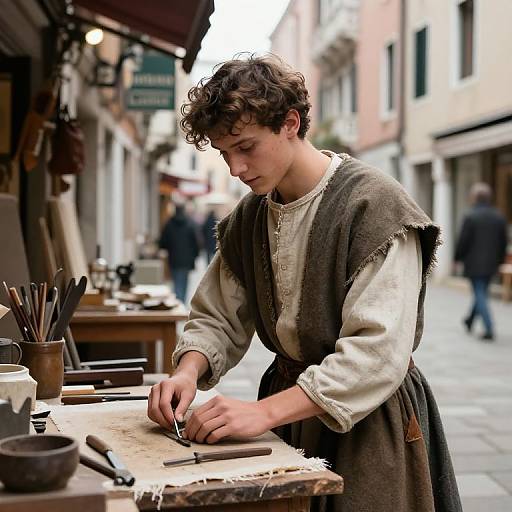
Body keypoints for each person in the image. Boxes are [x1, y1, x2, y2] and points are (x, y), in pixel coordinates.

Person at [148, 55, 462, 511]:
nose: (235, 168)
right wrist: (187, 371)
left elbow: (377, 353)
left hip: (370, 425)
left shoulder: (375, 206)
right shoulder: (247, 218)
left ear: (290, 123)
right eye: (224, 154)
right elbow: (218, 316)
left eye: (246, 147)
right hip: (286, 415)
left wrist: (262, 414)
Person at [455, 182, 508, 341]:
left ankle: (489, 328)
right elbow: (503, 242)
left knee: (479, 293)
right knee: (481, 292)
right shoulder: (499, 216)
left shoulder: (470, 216)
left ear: (475, 198)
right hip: (492, 264)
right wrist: (500, 260)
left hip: (474, 263)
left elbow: (463, 241)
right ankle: (470, 320)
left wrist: (457, 258)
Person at [159, 203, 199, 303]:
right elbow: (196, 243)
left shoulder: (169, 224)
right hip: (187, 260)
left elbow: (163, 242)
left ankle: (177, 302)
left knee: (176, 282)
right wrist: (194, 256)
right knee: (184, 283)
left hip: (173, 259)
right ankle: (182, 303)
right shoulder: (190, 223)